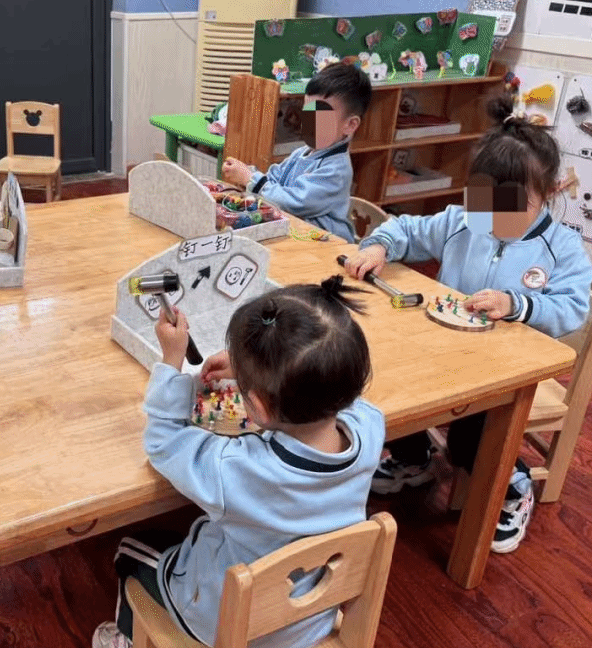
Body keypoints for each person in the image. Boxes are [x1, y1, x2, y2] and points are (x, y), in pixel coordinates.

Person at [344, 94, 592, 553]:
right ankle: (414, 457)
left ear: (548, 193)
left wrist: (517, 304)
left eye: (511, 205)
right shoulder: (464, 221)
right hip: (441, 354)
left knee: (469, 442)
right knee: (393, 382)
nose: (494, 215)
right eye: (485, 200)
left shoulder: (562, 249)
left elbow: (573, 308)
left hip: (507, 372)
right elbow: (406, 229)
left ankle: (513, 486)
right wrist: (379, 245)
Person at [93, 276, 384, 648]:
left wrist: (171, 360)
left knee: (130, 550)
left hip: (227, 624)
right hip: (308, 624)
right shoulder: (370, 428)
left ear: (258, 406)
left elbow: (163, 442)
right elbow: (337, 387)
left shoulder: (235, 470)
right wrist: (256, 371)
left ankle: (125, 639)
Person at [221, 62, 372, 242]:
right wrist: (248, 173)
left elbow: (295, 202)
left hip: (326, 245)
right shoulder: (302, 152)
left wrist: (250, 180)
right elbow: (273, 178)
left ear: (350, 125)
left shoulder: (337, 169)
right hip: (298, 234)